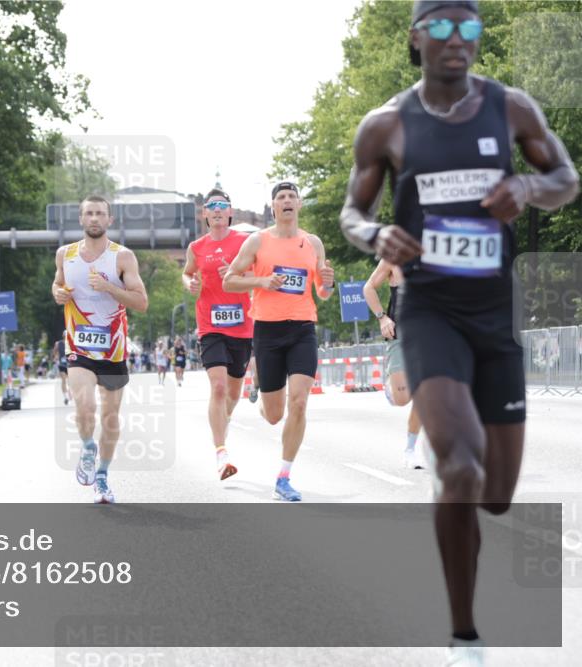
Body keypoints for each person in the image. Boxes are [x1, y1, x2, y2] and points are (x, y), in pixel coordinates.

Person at [340, 1, 579, 662]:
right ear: (417, 39)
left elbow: (566, 177)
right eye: (441, 27)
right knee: (459, 463)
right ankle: (464, 634)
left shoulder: (512, 108)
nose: (456, 40)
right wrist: (375, 233)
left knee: (496, 495)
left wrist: (529, 191)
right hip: (431, 312)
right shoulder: (386, 124)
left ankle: (466, 519)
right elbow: (353, 213)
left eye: (469, 27)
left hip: (496, 315)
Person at [223, 181, 335, 501]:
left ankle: (284, 477)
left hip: (302, 329)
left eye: (291, 197)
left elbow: (323, 293)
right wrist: (262, 281)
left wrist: (328, 283)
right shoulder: (257, 242)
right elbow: (230, 280)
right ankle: (258, 382)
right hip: (268, 332)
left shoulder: (313, 243)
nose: (286, 201)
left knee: (299, 402)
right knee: (274, 415)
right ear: (273, 207)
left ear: (299, 205)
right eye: (280, 198)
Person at [53, 194, 148, 504]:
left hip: (113, 349)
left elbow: (141, 303)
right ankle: (87, 448)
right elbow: (57, 285)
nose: (94, 218)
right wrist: (58, 293)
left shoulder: (123, 258)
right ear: (81, 220)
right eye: (89, 213)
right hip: (78, 344)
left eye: (100, 214)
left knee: (109, 417)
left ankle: (103, 478)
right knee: (85, 406)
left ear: (110, 221)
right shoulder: (64, 255)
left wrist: (109, 287)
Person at [183, 188, 254, 480]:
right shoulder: (196, 247)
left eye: (221, 206)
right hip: (210, 325)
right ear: (204, 215)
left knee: (234, 394)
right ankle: (221, 453)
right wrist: (189, 284)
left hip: (242, 326)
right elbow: (187, 272)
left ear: (230, 212)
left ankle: (222, 424)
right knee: (219, 387)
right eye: (210, 207)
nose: (216, 211)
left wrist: (239, 277)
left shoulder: (246, 242)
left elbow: (257, 278)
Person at [363, 260, 423, 468]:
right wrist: (382, 318)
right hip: (400, 336)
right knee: (402, 399)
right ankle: (391, 389)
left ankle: (410, 449)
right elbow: (368, 287)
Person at [55, 334, 70, 405]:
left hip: (70, 364)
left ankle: (70, 394)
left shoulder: (71, 342)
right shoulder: (58, 343)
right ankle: (65, 397)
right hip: (62, 364)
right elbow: (55, 351)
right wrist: (56, 357)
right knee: (64, 380)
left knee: (70, 381)